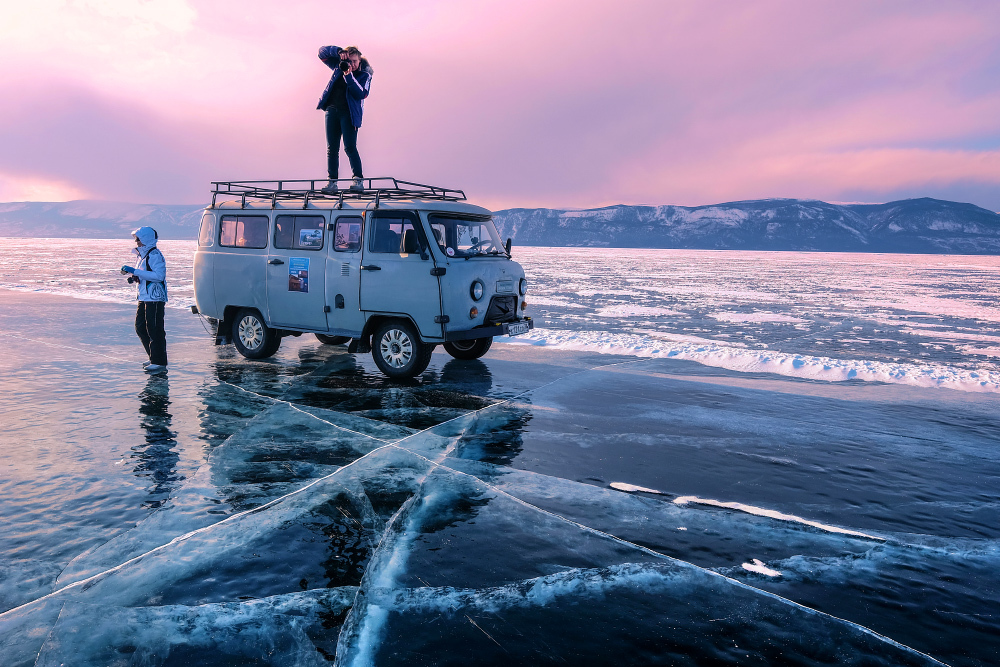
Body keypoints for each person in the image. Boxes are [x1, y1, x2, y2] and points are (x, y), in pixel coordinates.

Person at [316, 44, 373, 193]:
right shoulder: (338, 65)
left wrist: (349, 76)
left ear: (360, 60)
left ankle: (358, 180)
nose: (352, 64)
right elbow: (321, 53)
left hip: (349, 114)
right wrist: (338, 52)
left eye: (355, 61)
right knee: (331, 149)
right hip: (332, 110)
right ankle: (332, 182)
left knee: (350, 147)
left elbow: (361, 94)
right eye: (350, 61)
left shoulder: (365, 75)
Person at [121, 226, 168, 372]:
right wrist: (135, 276)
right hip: (144, 296)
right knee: (141, 327)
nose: (136, 242)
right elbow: (145, 274)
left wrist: (135, 271)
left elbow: (159, 276)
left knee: (154, 329)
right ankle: (153, 357)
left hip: (154, 297)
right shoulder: (143, 255)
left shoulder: (154, 255)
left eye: (138, 239)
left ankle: (159, 361)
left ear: (146, 239)